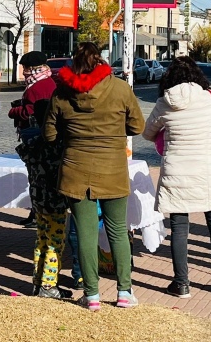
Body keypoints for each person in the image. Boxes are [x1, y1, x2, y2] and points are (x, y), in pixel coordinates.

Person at [43, 42, 144, 311]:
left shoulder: (62, 92)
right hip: (112, 168)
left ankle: (92, 295)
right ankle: (124, 292)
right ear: (100, 61)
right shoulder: (120, 88)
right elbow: (137, 125)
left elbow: (50, 134)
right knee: (118, 231)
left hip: (75, 170)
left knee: (85, 234)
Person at [142, 56, 211, 299]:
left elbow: (147, 133)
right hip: (204, 168)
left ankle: (181, 284)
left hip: (175, 170)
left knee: (179, 228)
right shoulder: (210, 98)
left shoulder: (164, 101)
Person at [10, 51, 72, 299]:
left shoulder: (31, 149)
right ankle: (48, 286)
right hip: (54, 198)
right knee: (56, 241)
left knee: (42, 237)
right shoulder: (53, 148)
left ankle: (38, 282)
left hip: (38, 198)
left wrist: (18, 112)